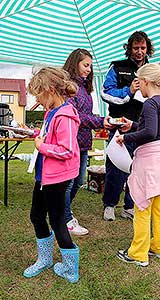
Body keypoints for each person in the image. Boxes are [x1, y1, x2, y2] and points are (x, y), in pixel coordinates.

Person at [116, 63, 160, 266]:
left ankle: (138, 253)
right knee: (158, 208)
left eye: (139, 83)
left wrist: (125, 138)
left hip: (149, 161)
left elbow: (150, 133)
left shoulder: (149, 104)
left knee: (142, 208)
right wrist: (133, 125)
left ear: (145, 82)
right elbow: (158, 131)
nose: (139, 88)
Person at [23, 67, 80, 283]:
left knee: (57, 221)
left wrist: (42, 146)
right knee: (36, 216)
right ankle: (45, 259)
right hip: (44, 176)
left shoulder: (65, 115)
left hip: (57, 178)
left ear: (49, 89)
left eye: (38, 94)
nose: (37, 99)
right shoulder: (51, 113)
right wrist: (36, 134)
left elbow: (67, 150)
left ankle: (70, 268)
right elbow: (50, 137)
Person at [101, 31, 155, 221]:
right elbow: (106, 93)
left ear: (147, 48)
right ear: (129, 48)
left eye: (143, 48)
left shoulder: (153, 69)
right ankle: (109, 205)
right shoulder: (117, 67)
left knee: (139, 167)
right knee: (115, 167)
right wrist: (129, 90)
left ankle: (130, 206)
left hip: (142, 127)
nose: (139, 52)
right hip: (118, 126)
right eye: (135, 48)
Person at [63, 48, 112, 235]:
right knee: (69, 183)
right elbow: (75, 116)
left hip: (83, 141)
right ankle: (65, 218)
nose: (89, 70)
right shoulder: (67, 87)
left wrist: (100, 121)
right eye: (85, 65)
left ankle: (62, 211)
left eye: (90, 66)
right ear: (74, 64)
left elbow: (86, 115)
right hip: (70, 142)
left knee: (78, 182)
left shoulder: (84, 87)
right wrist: (100, 121)